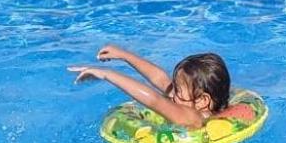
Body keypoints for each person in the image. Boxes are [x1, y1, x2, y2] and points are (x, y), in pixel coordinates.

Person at [68, 45, 254, 129]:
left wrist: (107, 74)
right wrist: (124, 55)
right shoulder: (193, 103)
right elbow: (160, 78)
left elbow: (154, 100)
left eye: (178, 91)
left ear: (203, 100)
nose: (172, 94)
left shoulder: (192, 116)